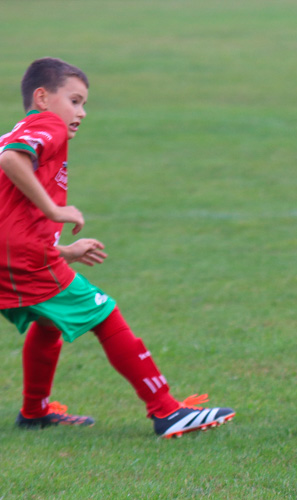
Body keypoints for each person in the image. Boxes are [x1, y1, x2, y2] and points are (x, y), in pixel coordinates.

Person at [0, 58, 235, 438]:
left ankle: (34, 412)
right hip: (23, 261)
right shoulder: (47, 125)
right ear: (42, 97)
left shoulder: (26, 128)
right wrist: (54, 209)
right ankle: (166, 410)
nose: (82, 112)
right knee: (105, 315)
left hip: (15, 258)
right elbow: (11, 159)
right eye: (75, 101)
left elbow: (8, 218)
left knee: (48, 323)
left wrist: (64, 252)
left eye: (84, 104)